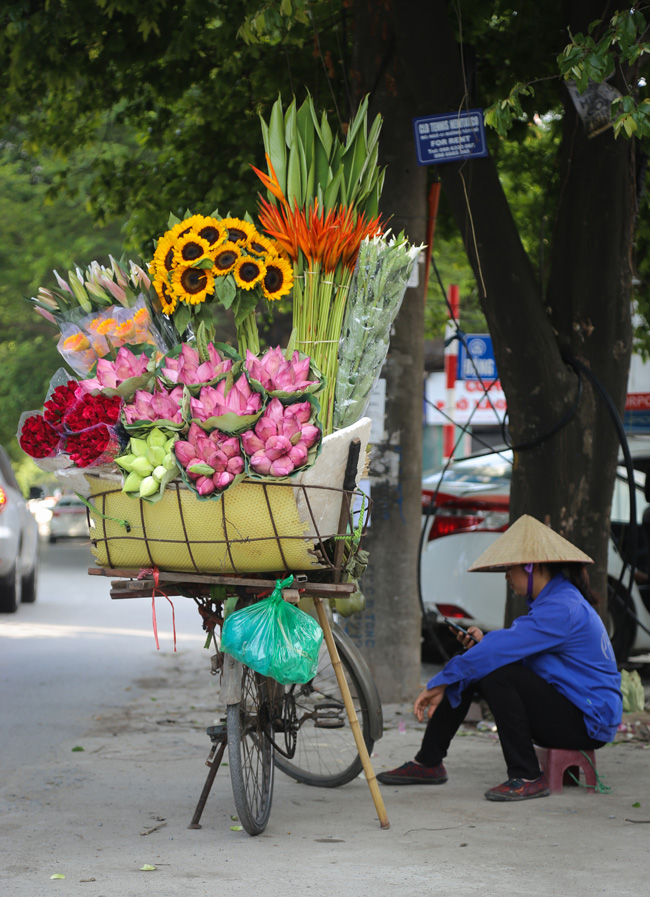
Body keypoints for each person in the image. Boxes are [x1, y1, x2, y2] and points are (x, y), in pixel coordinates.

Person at [377, 515, 623, 801]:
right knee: (476, 657)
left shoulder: (561, 608)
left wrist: (440, 682)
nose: (506, 576)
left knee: (493, 671)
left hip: (587, 722)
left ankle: (528, 776)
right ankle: (429, 762)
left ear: (532, 566)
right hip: (572, 708)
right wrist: (482, 645)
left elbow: (505, 655)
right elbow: (517, 651)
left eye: (510, 568)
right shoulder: (555, 602)